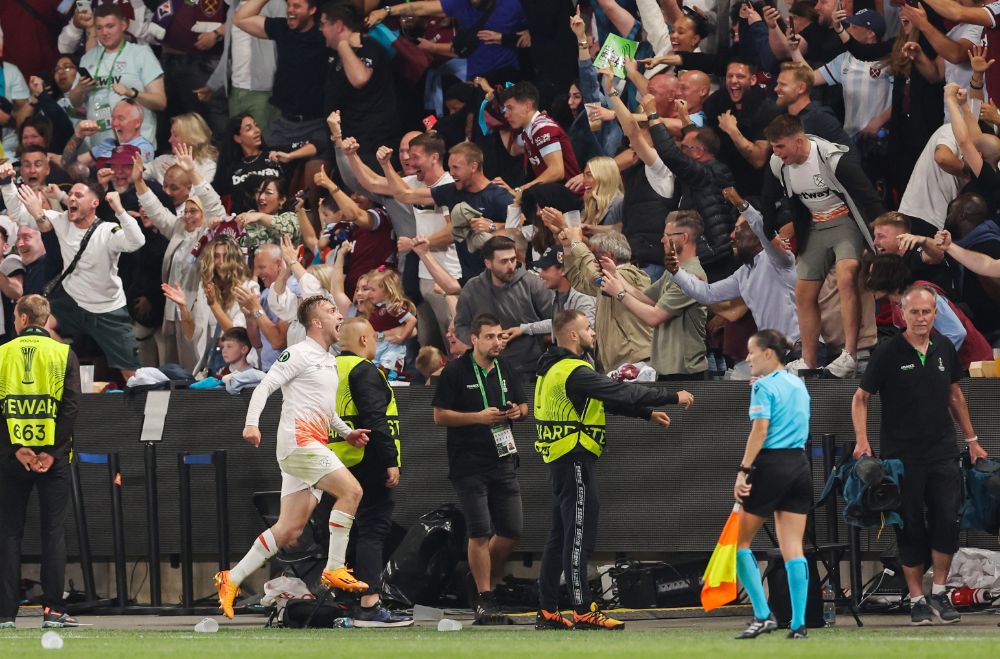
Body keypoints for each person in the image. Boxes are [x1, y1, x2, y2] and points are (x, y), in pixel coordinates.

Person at [214, 295, 371, 619]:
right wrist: (251, 425)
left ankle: (232, 578)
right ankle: (334, 568)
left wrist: (346, 434)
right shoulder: (299, 353)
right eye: (331, 311)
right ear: (316, 322)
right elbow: (264, 387)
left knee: (288, 530)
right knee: (352, 492)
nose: (339, 315)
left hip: (313, 443)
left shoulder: (328, 360)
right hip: (300, 444)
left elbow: (324, 410)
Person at [534, 309, 691, 631]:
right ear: (573, 335)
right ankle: (582, 610)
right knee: (578, 537)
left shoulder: (553, 369)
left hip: (560, 458)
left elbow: (603, 401)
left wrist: (646, 414)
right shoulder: (575, 370)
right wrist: (671, 396)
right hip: (574, 457)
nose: (593, 332)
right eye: (588, 328)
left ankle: (548, 610)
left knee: (560, 536)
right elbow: (622, 392)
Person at [852, 285, 987, 626]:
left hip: (942, 452)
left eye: (926, 312)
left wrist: (971, 439)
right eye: (914, 312)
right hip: (902, 457)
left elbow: (955, 395)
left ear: (935, 314)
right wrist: (862, 440)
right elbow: (860, 398)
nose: (921, 318)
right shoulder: (888, 352)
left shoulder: (944, 347)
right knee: (909, 527)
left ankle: (939, 592)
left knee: (946, 521)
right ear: (902, 315)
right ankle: (917, 599)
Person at [760, 115, 884, 377]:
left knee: (846, 274)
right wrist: (769, 231)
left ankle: (849, 354)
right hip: (815, 226)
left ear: (799, 141)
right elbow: (768, 198)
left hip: (844, 222)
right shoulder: (777, 164)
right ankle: (809, 359)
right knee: (803, 291)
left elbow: (868, 196)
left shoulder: (832, 159)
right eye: (773, 146)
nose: (775, 152)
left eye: (780, 146)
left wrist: (883, 233)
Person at [2, 164, 145, 381]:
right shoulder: (60, 221)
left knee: (132, 374)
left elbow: (137, 241)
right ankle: (72, 367)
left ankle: (146, 412)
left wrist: (120, 211)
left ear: (94, 203)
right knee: (34, 324)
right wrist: (6, 183)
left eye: (79, 195)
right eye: (69, 195)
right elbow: (17, 213)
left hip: (106, 308)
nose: (71, 199)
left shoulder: (107, 231)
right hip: (72, 303)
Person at [432, 313, 528, 624]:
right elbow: (439, 416)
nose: (497, 342)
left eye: (500, 336)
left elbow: (525, 406)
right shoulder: (456, 370)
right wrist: (477, 417)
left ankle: (475, 581)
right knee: (479, 530)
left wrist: (517, 411)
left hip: (503, 459)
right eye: (490, 337)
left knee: (512, 528)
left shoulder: (506, 367)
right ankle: (486, 597)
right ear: (474, 338)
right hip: (468, 463)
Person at [0, 295, 82, 629]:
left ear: (20, 318)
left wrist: (16, 448)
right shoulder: (64, 354)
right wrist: (51, 451)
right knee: (53, 532)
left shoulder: (2, 353)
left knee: (7, 533)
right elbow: (72, 406)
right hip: (54, 459)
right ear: (46, 319)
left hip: (10, 458)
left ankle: (5, 615)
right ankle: (53, 610)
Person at [331, 318, 413, 627]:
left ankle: (344, 598)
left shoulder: (329, 369)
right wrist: (389, 459)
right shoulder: (363, 370)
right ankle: (369, 604)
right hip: (366, 458)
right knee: (372, 529)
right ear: (364, 340)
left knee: (345, 532)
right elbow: (375, 418)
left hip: (334, 462)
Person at [731, 329, 813, 640]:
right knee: (794, 548)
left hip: (771, 466)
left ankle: (763, 615)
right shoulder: (798, 383)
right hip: (799, 466)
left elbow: (760, 430)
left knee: (739, 544)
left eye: (752, 352)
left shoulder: (763, 387)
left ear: (768, 353)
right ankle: (799, 624)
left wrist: (743, 470)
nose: (747, 358)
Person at [669, 188, 800, 347]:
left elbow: (763, 230)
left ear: (755, 234)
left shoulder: (779, 259)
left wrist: (742, 205)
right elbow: (708, 294)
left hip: (800, 348)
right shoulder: (743, 274)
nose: (732, 236)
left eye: (737, 229)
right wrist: (676, 271)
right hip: (775, 353)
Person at [598, 211, 708, 380]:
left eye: (667, 235)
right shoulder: (674, 273)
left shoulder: (692, 276)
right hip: (667, 368)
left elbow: (654, 316)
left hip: (684, 371)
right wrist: (616, 274)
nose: (662, 240)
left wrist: (619, 294)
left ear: (684, 238)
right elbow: (645, 298)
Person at [234, 0, 329, 155]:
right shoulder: (282, 28)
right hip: (284, 123)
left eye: (296, 6)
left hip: (317, 123)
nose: (290, 10)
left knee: (314, 174)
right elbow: (240, 19)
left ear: (312, 10)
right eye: (288, 5)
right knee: (268, 169)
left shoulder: (324, 33)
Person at [454, 236, 554, 374]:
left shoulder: (534, 284)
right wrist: (482, 342)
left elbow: (556, 322)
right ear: (488, 263)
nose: (510, 266)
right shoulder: (472, 288)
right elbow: (461, 326)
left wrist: (525, 330)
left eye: (512, 259)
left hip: (530, 368)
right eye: (504, 261)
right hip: (488, 368)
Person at [77, 4, 166, 151]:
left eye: (110, 26)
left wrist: (132, 93)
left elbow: (160, 102)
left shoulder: (141, 54)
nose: (105, 32)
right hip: (99, 148)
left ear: (123, 24)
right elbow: (75, 102)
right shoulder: (87, 58)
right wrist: (80, 89)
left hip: (136, 147)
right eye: (99, 28)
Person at [501, 81, 581, 193]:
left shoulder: (542, 127)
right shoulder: (529, 130)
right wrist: (500, 126)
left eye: (510, 108)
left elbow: (557, 171)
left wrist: (521, 190)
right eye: (505, 110)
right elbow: (514, 149)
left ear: (527, 106)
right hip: (557, 196)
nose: (506, 114)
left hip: (573, 197)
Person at [506, 245, 595, 341]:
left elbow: (587, 334)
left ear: (563, 270)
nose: (541, 274)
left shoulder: (583, 297)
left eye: (545, 269)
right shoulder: (556, 294)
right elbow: (559, 323)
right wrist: (523, 329)